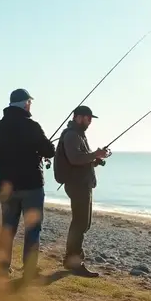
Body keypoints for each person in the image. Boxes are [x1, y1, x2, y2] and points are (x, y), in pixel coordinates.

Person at [0, 88, 57, 278]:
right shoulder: (32, 126)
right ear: (26, 103)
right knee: (32, 228)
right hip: (31, 185)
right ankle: (28, 269)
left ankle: (2, 267)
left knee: (7, 228)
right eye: (30, 103)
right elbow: (49, 150)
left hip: (7, 185)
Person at [53, 105, 110, 277]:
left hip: (81, 183)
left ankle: (72, 258)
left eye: (91, 118)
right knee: (80, 223)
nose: (90, 121)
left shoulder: (78, 134)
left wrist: (95, 159)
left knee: (82, 223)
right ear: (77, 117)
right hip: (77, 185)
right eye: (87, 117)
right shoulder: (72, 135)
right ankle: (74, 261)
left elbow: (79, 159)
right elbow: (75, 158)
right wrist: (95, 154)